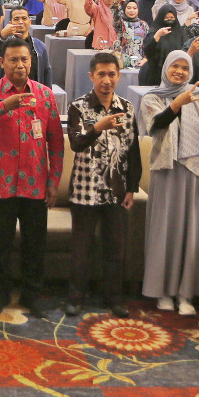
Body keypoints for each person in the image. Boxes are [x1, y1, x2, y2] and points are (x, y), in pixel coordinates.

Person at [0, 36, 64, 318]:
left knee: (35, 244)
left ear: (31, 61)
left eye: (24, 59)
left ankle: (32, 295)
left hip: (36, 182)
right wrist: (5, 105)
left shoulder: (45, 94)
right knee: (1, 244)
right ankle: (0, 293)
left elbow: (56, 142)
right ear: (2, 61)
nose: (20, 65)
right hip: (1, 182)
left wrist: (54, 182)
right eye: (13, 60)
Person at [139, 50, 199, 315]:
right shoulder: (152, 97)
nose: (179, 71)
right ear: (165, 68)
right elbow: (156, 125)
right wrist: (176, 104)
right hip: (166, 172)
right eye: (174, 66)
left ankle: (186, 294)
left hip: (196, 173)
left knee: (193, 232)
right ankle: (163, 291)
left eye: (185, 68)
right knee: (166, 231)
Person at [65, 51, 141, 318]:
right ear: (91, 76)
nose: (106, 80)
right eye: (101, 74)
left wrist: (132, 188)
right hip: (84, 189)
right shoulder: (78, 107)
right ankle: (76, 298)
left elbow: (133, 151)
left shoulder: (127, 108)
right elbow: (76, 143)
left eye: (112, 74)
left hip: (116, 191)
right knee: (81, 249)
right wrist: (97, 127)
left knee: (115, 249)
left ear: (118, 76)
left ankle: (114, 298)